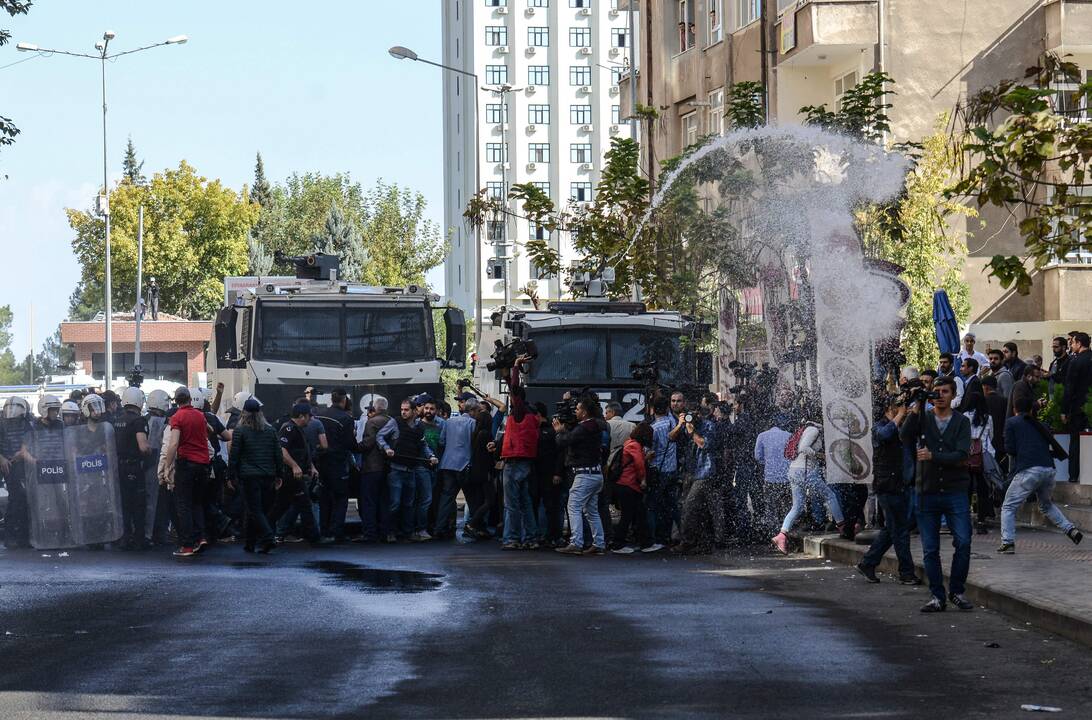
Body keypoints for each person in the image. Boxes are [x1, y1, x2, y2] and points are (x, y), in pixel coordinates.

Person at [900, 376, 974, 613]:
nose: (940, 395)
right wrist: (918, 407)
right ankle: (937, 595)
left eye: (945, 392)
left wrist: (934, 457)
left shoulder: (961, 422)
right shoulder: (924, 418)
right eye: (936, 391)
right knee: (930, 548)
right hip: (927, 491)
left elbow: (962, 454)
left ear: (953, 395)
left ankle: (957, 590)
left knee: (963, 541)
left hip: (956, 490)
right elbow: (904, 435)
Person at [999, 395, 1083, 555]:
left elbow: (1009, 449)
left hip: (1028, 469)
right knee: (1046, 505)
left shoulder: (1012, 422)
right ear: (1031, 409)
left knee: (1008, 506)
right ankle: (1070, 529)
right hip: (1049, 469)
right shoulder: (1040, 424)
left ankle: (1008, 542)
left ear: (1014, 409)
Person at [857, 397, 919, 585]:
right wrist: (900, 415)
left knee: (894, 528)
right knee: (899, 530)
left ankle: (868, 562)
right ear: (887, 409)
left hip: (903, 484)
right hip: (888, 486)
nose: (901, 410)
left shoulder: (901, 426)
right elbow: (884, 435)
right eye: (897, 408)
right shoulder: (879, 428)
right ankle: (906, 573)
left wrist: (912, 413)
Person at [771, 407, 844, 554]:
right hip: (806, 472)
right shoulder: (814, 430)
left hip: (794, 471)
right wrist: (820, 456)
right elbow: (803, 448)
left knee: (797, 506)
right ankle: (843, 527)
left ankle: (781, 535)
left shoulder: (806, 428)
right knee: (830, 496)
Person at [158, 387, 212, 558]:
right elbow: (210, 431)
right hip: (203, 464)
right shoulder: (200, 415)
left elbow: (173, 444)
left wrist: (167, 467)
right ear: (190, 399)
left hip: (187, 464)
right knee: (197, 503)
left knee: (184, 505)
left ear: (176, 401)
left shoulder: (177, 417)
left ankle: (187, 545)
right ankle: (201, 537)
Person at [554, 396, 610, 555]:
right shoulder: (597, 426)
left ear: (584, 412)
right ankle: (599, 543)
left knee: (573, 506)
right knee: (591, 510)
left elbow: (564, 442)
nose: (575, 412)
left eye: (578, 409)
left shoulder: (582, 428)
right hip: (596, 473)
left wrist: (559, 433)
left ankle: (576, 542)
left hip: (584, 474)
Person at [378, 398, 439, 542]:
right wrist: (387, 448)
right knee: (395, 503)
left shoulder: (418, 427)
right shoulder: (395, 422)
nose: (403, 412)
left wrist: (431, 456)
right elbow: (380, 436)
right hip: (396, 470)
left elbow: (423, 445)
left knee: (408, 504)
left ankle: (408, 532)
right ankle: (390, 532)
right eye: (402, 409)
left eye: (406, 410)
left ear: (413, 411)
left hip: (410, 471)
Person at [228, 397, 283, 553]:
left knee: (254, 509)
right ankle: (251, 543)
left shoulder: (240, 430)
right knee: (261, 510)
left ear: (244, 413)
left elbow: (235, 455)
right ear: (260, 413)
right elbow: (277, 454)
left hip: (249, 476)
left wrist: (231, 476)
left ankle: (268, 537)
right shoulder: (270, 430)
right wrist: (280, 474)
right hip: (268, 476)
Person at [498, 359, 540, 549]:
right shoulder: (532, 416)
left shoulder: (520, 412)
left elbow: (514, 390)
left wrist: (514, 367)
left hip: (514, 463)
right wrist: (507, 374)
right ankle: (531, 538)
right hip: (526, 463)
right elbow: (514, 389)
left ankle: (512, 538)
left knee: (512, 504)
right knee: (525, 503)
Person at [271, 402, 323, 545]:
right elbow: (282, 450)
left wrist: (311, 467)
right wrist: (294, 466)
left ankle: (267, 531)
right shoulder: (289, 429)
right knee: (297, 505)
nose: (310, 419)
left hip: (296, 475)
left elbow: (303, 452)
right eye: (308, 416)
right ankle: (314, 537)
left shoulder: (299, 430)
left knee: (287, 505)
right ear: (301, 416)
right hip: (290, 475)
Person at [676, 408, 723, 553]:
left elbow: (704, 444)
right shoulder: (686, 425)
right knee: (701, 509)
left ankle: (688, 542)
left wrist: (692, 432)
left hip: (705, 472)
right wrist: (679, 425)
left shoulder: (708, 425)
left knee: (689, 508)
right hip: (691, 472)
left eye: (693, 414)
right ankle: (703, 543)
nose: (691, 417)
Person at [434, 396, 480, 540]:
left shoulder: (449, 422)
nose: (478, 413)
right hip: (465, 465)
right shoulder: (473, 423)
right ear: (472, 410)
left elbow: (441, 441)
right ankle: (474, 526)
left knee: (447, 497)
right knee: (472, 498)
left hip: (447, 464)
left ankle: (439, 527)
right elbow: (475, 444)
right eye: (478, 410)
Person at [315, 388, 357, 543]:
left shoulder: (320, 414)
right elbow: (350, 443)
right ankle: (336, 531)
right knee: (340, 498)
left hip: (321, 461)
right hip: (338, 462)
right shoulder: (345, 419)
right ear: (344, 399)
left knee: (324, 497)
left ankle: (324, 530)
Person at [611, 423, 659, 554]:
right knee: (630, 515)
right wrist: (643, 480)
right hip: (629, 485)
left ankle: (644, 543)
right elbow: (638, 464)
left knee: (637, 514)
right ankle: (619, 544)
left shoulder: (629, 443)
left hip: (625, 485)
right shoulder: (634, 445)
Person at [114, 387, 151, 550]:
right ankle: (139, 539)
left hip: (118, 467)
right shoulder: (138, 421)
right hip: (134, 467)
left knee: (123, 505)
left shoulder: (117, 420)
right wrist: (151, 451)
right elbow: (143, 447)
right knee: (138, 504)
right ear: (138, 401)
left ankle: (124, 537)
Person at [358, 397, 395, 542]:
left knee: (369, 501)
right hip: (388, 467)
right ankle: (385, 531)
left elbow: (367, 443)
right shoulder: (392, 421)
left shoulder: (372, 422)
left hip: (372, 467)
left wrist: (354, 446)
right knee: (384, 501)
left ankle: (370, 533)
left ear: (375, 408)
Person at [647, 395, 681, 547]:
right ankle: (676, 534)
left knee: (653, 506)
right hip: (672, 470)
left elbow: (649, 452)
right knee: (671, 505)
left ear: (652, 409)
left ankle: (656, 538)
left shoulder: (653, 429)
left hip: (658, 472)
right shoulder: (672, 423)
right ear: (667, 408)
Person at [963, 392, 996, 535]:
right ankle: (981, 521)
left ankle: (965, 521)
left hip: (968, 456)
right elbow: (991, 436)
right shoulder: (988, 418)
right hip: (984, 456)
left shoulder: (964, 416)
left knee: (967, 489)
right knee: (983, 489)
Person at [1062, 331, 1092, 484]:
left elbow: (1069, 388)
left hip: (1077, 408)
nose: (1071, 346)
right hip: (1089, 406)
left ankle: (1073, 475)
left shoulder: (1076, 362)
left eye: (1072, 343)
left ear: (1079, 344)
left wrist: (1064, 410)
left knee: (1075, 442)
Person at [753, 418, 792, 531]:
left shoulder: (762, 436)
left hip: (770, 478)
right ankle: (786, 532)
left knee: (771, 508)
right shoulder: (788, 435)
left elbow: (757, 456)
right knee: (786, 506)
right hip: (786, 478)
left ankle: (772, 532)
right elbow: (792, 454)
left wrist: (767, 462)